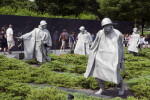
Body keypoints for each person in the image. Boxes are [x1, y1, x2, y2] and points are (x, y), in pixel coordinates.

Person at [84, 18, 125, 95]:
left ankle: (121, 87)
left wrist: (122, 58)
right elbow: (95, 43)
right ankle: (102, 88)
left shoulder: (117, 34)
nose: (107, 28)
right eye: (105, 26)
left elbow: (121, 47)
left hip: (113, 58)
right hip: (100, 57)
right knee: (97, 74)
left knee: (115, 74)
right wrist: (90, 51)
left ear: (111, 25)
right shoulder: (100, 33)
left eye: (108, 25)